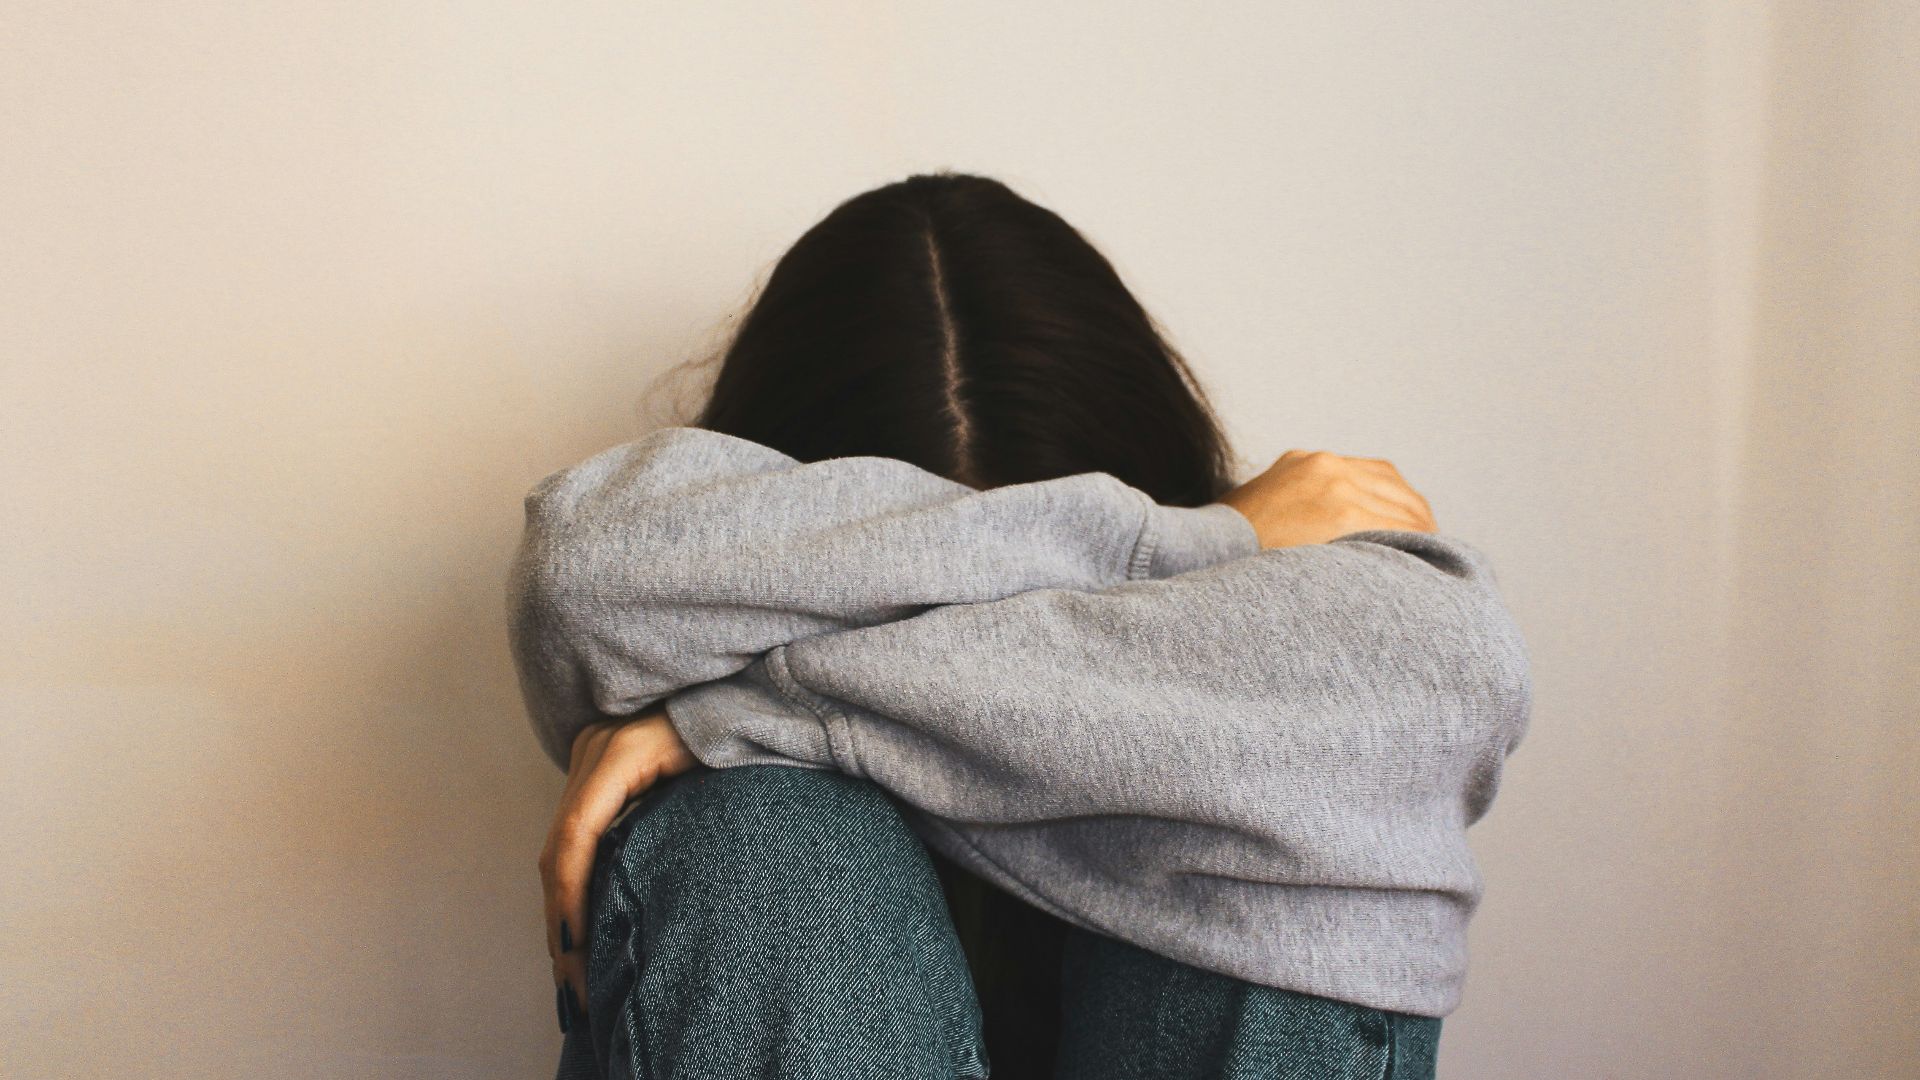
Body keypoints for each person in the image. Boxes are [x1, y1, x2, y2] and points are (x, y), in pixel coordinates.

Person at [504, 172, 1532, 1080]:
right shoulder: (1208, 549)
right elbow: (581, 572)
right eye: (925, 579)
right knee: (757, 840)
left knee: (1294, 804)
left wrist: (741, 703)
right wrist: (1188, 548)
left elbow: (1453, 669)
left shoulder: (734, 682)